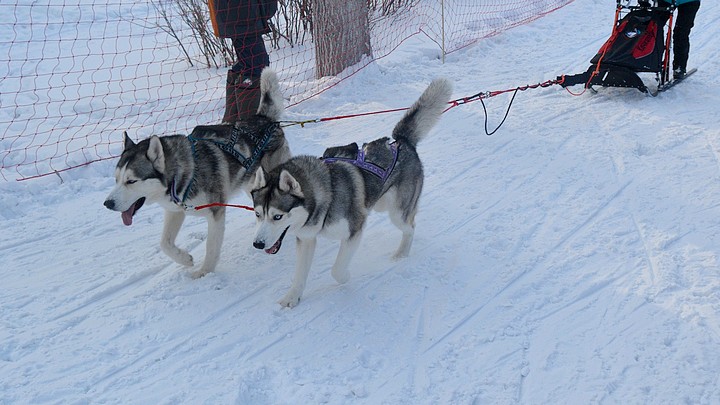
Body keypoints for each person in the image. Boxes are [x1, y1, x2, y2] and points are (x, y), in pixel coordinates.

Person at [209, 0, 279, 123]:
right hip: (241, 15)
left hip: (244, 14)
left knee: (248, 64)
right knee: (256, 65)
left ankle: (232, 124)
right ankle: (249, 128)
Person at [659, 0, 701, 79]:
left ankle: (679, 67)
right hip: (666, 1)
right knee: (654, 28)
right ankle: (650, 61)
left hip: (689, 2)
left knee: (681, 33)